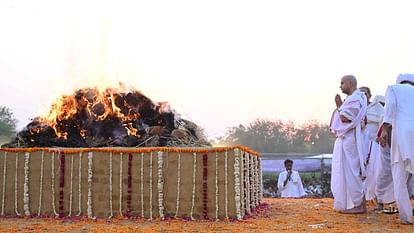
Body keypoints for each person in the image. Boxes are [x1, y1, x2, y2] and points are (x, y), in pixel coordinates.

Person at [378, 73, 414, 224]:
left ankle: (406, 217)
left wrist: (384, 128)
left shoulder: (394, 88)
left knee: (399, 173)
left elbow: (390, 107)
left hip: (402, 132)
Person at [330, 75, 367, 213]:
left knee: (352, 172)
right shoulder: (356, 98)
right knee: (347, 172)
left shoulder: (355, 98)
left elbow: (346, 118)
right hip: (347, 138)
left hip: (350, 139)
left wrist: (339, 106)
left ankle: (358, 205)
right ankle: (355, 204)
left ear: (350, 83)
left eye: (342, 83)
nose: (340, 86)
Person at [359, 87, 384, 202]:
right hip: (359, 144)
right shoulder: (356, 106)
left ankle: (374, 196)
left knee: (374, 169)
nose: (363, 95)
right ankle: (359, 197)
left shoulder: (377, 107)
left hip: (374, 143)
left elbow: (384, 123)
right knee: (359, 170)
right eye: (360, 93)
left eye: (365, 93)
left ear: (369, 95)